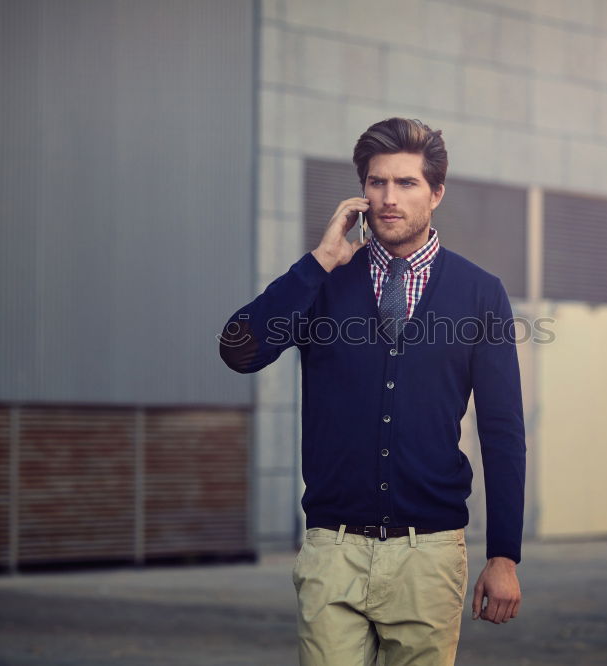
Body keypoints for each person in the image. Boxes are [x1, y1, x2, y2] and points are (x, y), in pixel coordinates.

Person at [219, 117, 526, 665]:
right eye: (377, 182)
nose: (388, 198)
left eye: (406, 183)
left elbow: (503, 430)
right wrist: (316, 265)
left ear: (436, 192)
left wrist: (504, 554)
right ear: (362, 190)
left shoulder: (481, 293)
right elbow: (239, 350)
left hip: (428, 554)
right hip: (332, 551)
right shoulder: (324, 281)